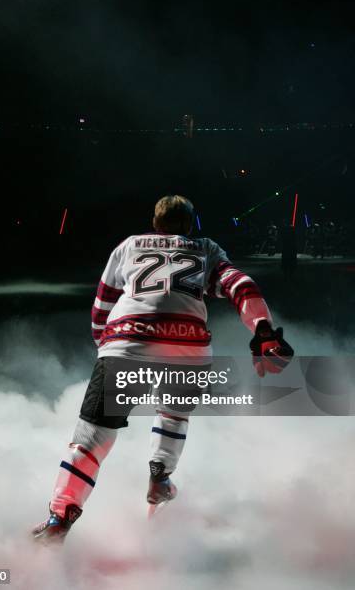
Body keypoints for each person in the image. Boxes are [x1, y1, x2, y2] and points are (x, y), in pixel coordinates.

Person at [31, 195, 293, 543]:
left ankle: (59, 519)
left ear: (155, 225)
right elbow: (240, 286)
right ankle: (160, 479)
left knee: (91, 439)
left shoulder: (128, 246)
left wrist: (108, 351)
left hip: (127, 339)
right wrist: (262, 329)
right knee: (173, 415)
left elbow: (102, 305)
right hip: (189, 345)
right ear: (189, 226)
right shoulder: (205, 248)